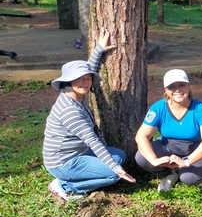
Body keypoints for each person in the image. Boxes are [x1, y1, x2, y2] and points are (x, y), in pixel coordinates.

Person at [43, 29, 136, 201]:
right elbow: (92, 140)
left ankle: (73, 178)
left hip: (79, 153)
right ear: (69, 82)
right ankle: (64, 185)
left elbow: (88, 70)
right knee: (113, 175)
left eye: (88, 79)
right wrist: (115, 169)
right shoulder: (70, 110)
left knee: (120, 155)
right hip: (63, 162)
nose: (85, 82)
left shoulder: (75, 94)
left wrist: (99, 49)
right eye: (80, 79)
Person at [135, 69, 202, 193]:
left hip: (194, 148)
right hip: (168, 146)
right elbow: (141, 136)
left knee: (189, 178)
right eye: (172, 86)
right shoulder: (158, 107)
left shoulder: (201, 108)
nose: (177, 90)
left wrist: (186, 161)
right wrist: (154, 160)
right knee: (142, 157)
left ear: (188, 86)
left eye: (181, 85)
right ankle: (169, 173)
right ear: (166, 90)